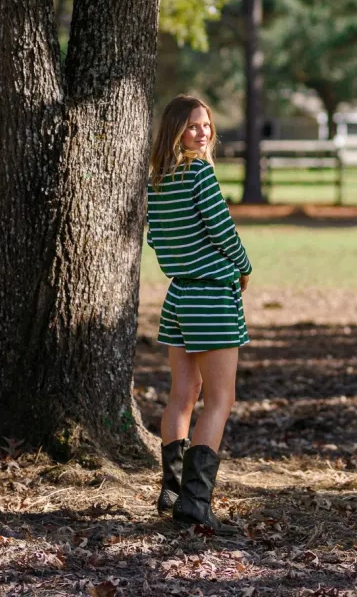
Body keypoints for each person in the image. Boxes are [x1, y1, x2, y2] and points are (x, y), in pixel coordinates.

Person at [146, 94, 252, 535]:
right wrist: (244, 268)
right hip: (209, 296)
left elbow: (156, 239)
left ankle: (171, 490)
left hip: (178, 297)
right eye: (192, 126)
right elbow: (223, 230)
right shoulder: (200, 174)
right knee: (220, 399)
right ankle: (194, 501)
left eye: (206, 125)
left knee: (182, 395)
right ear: (175, 130)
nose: (202, 133)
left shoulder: (158, 180)